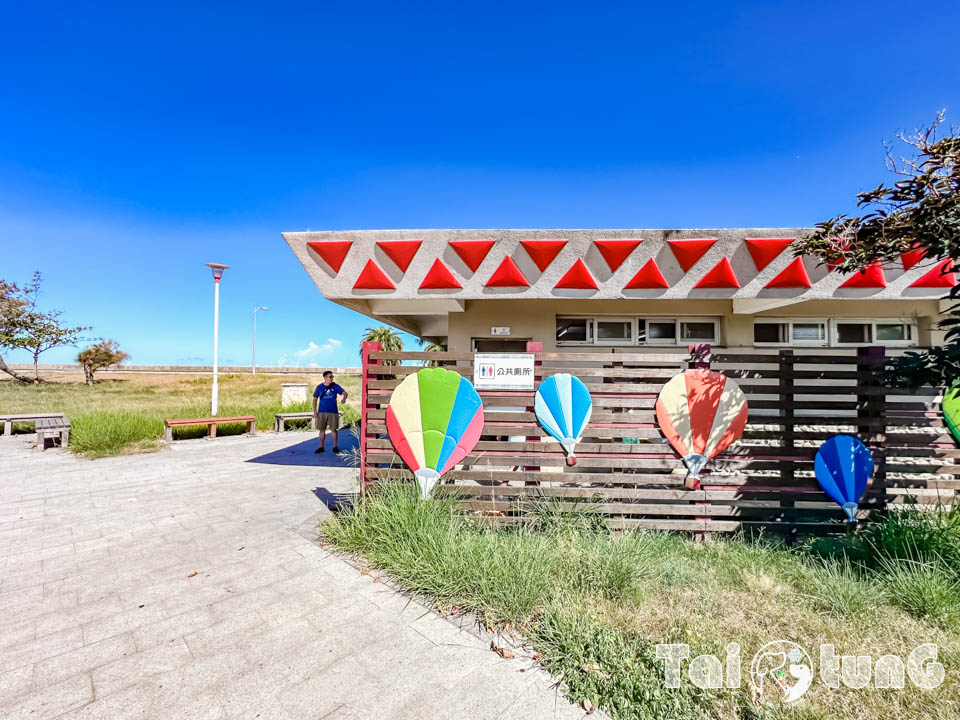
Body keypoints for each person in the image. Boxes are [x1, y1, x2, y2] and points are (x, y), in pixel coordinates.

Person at [312, 371, 348, 453]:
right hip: (322, 411)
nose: (331, 378)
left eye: (332, 377)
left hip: (333, 411)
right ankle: (321, 447)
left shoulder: (335, 386)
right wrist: (315, 411)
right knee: (322, 430)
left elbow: (345, 393)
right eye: (330, 377)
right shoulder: (319, 387)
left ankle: (335, 446)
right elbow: (314, 399)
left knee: (334, 430)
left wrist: (344, 399)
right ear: (324, 377)